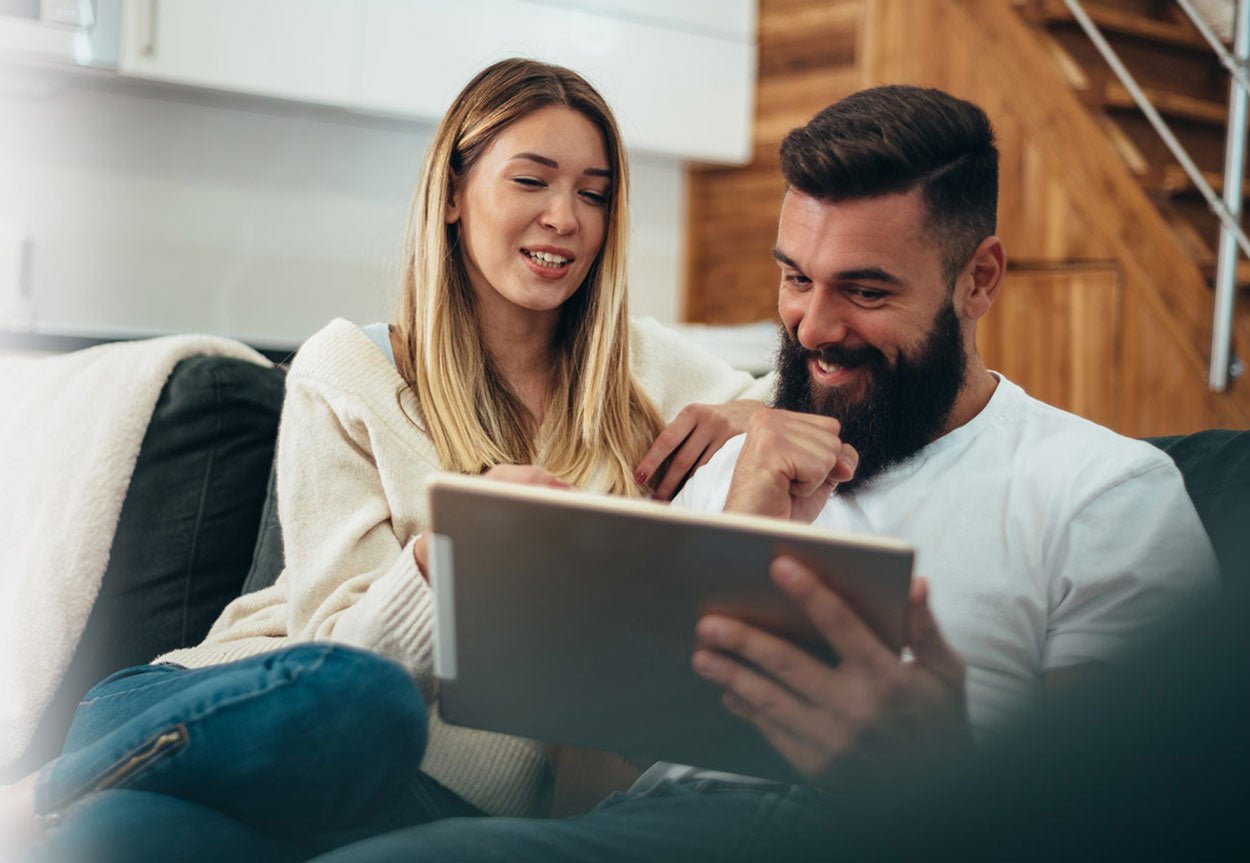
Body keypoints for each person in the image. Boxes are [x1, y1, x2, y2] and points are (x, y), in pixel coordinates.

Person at [292, 85, 1220, 863]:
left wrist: (940, 768)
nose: (813, 327)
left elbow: (1151, 816)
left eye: (865, 290)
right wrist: (732, 524)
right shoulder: (726, 463)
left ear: (978, 280)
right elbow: (586, 776)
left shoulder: (1105, 490)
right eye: (794, 278)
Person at [7, 58, 773, 862]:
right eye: (531, 181)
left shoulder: (645, 373)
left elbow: (809, 397)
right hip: (220, 710)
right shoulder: (347, 368)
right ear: (452, 193)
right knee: (367, 702)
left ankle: (65, 809)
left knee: (121, 838)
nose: (565, 217)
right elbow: (336, 654)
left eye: (593, 192)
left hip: (411, 801)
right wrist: (445, 553)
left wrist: (746, 411)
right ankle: (44, 790)